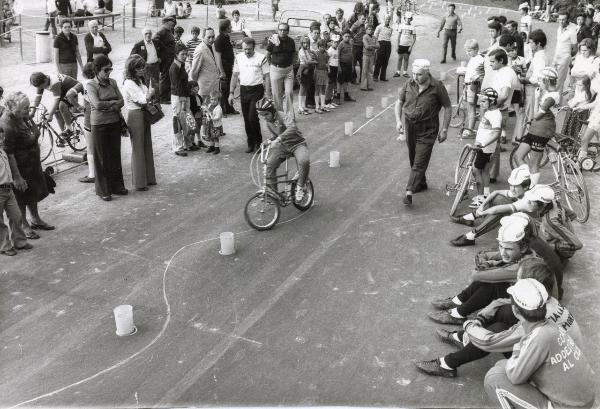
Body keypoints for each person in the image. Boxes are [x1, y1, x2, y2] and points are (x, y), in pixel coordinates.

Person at [415, 259, 577, 378]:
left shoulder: (535, 325)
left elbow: (489, 341)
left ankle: (447, 364)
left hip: (549, 374)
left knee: (498, 330)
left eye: (518, 281)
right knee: (504, 309)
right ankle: (463, 338)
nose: (515, 283)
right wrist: (493, 307)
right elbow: (507, 303)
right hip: (562, 362)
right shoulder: (547, 302)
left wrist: (470, 325)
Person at [483, 279, 596, 409]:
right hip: (585, 398)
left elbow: (515, 377)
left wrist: (516, 351)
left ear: (515, 310)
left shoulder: (539, 336)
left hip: (570, 406)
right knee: (502, 366)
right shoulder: (550, 325)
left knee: (493, 379)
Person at [429, 220, 536, 326]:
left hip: (526, 312)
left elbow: (476, 275)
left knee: (492, 283)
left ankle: (458, 314)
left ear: (523, 247)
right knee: (492, 275)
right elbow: (483, 254)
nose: (503, 252)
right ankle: (458, 301)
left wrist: (487, 265)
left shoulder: (523, 266)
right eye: (501, 246)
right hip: (523, 300)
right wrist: (490, 263)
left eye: (508, 249)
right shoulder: (525, 251)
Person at [395, 59, 451, 206]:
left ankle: (409, 191)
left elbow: (448, 107)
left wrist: (444, 129)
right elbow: (399, 102)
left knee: (419, 161)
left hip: (428, 129)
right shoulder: (408, 83)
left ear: (427, 73)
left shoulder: (437, 87)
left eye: (419, 74)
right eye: (414, 73)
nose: (415, 77)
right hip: (410, 126)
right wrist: (398, 121)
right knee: (413, 157)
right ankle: (421, 183)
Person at [0, 92, 54, 239]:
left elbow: (31, 128)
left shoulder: (22, 115)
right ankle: (24, 225)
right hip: (20, 166)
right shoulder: (7, 125)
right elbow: (9, 153)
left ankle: (35, 219)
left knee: (33, 192)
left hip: (32, 163)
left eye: (28, 107)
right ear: (13, 109)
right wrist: (17, 177)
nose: (28, 111)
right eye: (25, 108)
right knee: (21, 195)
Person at [451, 165, 530, 246]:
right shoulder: (519, 191)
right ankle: (471, 218)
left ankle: (472, 235)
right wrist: (482, 206)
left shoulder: (527, 200)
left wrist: (483, 212)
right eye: (511, 185)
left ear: (526, 187)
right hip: (519, 220)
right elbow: (496, 192)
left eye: (516, 186)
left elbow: (497, 210)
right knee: (498, 198)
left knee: (502, 212)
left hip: (528, 231)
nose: (512, 189)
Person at [85, 55, 126, 201]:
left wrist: (107, 103)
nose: (109, 72)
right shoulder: (90, 85)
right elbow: (96, 105)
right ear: (97, 70)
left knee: (115, 155)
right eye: (106, 70)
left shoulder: (113, 82)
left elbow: (122, 101)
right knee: (101, 158)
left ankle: (117, 186)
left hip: (114, 122)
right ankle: (103, 190)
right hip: (99, 125)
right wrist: (112, 103)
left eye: (110, 69)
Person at [256, 98, 310, 202]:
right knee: (269, 164)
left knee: (304, 161)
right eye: (262, 116)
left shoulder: (282, 115)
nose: (265, 118)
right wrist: (268, 141)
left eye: (266, 114)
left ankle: (300, 186)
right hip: (284, 146)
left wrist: (279, 139)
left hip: (297, 144)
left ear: (272, 111)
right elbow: (275, 135)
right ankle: (273, 193)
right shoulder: (269, 122)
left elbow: (292, 127)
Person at [514, 67, 560, 187]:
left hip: (542, 131)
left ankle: (531, 189)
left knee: (534, 164)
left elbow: (537, 115)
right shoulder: (548, 94)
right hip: (535, 129)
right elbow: (535, 116)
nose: (538, 83)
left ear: (546, 81)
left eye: (540, 80)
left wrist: (536, 98)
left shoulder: (552, 97)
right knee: (518, 156)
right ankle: (528, 179)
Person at [229, 37, 270, 153]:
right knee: (246, 118)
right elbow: (235, 75)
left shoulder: (261, 58)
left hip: (257, 89)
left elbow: (267, 76)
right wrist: (231, 93)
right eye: (245, 49)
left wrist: (268, 93)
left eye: (250, 49)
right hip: (244, 89)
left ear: (254, 47)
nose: (247, 51)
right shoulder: (238, 58)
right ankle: (250, 143)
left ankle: (258, 142)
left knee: (252, 117)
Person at [122, 54, 156, 191]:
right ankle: (140, 182)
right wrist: (151, 93)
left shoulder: (138, 81)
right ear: (132, 69)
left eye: (143, 67)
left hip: (142, 113)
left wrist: (149, 93)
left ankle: (149, 178)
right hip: (135, 115)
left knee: (146, 145)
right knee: (138, 148)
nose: (143, 70)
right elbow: (142, 99)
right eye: (139, 68)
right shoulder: (129, 83)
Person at [0, 121, 32, 256]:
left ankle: (19, 241)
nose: (2, 140)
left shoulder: (2, 150)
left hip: (9, 188)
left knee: (16, 216)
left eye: (2, 137)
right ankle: (5, 246)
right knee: (0, 223)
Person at [470, 88, 501, 209]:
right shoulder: (489, 112)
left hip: (484, 148)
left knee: (476, 170)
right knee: (485, 171)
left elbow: (496, 133)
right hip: (485, 147)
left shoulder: (495, 115)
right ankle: (486, 194)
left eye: (483, 101)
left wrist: (483, 144)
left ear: (492, 102)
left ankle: (480, 197)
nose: (480, 104)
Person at [29, 71, 83, 140]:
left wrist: (50, 114)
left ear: (45, 80)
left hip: (71, 88)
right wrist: (33, 112)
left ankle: (69, 129)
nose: (42, 88)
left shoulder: (54, 82)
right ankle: (65, 133)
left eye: (42, 87)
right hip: (62, 90)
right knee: (56, 112)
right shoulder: (40, 82)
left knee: (61, 106)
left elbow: (56, 100)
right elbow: (38, 97)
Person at [265, 23, 296, 118]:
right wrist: (272, 64)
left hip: (288, 70)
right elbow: (267, 55)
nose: (282, 32)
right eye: (280, 30)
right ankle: (280, 116)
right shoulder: (273, 41)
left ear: (288, 31)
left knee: (289, 92)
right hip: (276, 70)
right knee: (277, 95)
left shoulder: (291, 41)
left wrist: (292, 63)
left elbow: (294, 53)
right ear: (278, 30)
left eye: (284, 30)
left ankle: (290, 116)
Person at [520, 29, 547, 133]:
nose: (529, 44)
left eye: (531, 42)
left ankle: (528, 139)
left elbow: (536, 78)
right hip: (532, 91)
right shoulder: (539, 55)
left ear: (538, 44)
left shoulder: (540, 57)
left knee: (530, 117)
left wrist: (522, 80)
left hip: (534, 91)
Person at [214, 19, 238, 116]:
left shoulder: (226, 36)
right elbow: (218, 57)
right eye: (230, 26)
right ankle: (224, 110)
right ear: (226, 28)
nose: (231, 27)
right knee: (224, 90)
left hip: (229, 66)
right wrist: (222, 71)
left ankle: (229, 108)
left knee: (228, 88)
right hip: (224, 67)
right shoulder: (219, 39)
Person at [170, 44, 191, 157]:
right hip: (178, 97)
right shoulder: (174, 67)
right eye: (182, 54)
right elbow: (177, 85)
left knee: (186, 121)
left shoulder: (181, 66)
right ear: (176, 54)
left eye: (186, 54)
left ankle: (188, 144)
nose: (184, 56)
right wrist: (182, 99)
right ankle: (178, 147)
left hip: (184, 96)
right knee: (177, 121)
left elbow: (184, 83)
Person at [461, 39, 484, 138]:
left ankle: (470, 130)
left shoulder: (479, 59)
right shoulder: (474, 58)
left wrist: (475, 78)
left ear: (476, 49)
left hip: (472, 85)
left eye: (469, 51)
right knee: (470, 108)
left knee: (471, 108)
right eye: (467, 51)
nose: (468, 53)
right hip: (469, 84)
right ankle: (470, 129)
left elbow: (481, 74)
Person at [190, 27, 219, 104]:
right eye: (209, 37)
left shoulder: (212, 47)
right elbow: (194, 71)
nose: (211, 39)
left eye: (213, 37)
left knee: (213, 111)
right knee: (204, 111)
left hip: (213, 86)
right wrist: (197, 84)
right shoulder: (200, 50)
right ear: (203, 37)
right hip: (204, 88)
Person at [130, 27, 161, 98]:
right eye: (146, 33)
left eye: (150, 33)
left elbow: (162, 50)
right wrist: (139, 63)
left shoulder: (156, 42)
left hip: (155, 66)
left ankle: (156, 102)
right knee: (144, 84)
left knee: (156, 84)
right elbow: (132, 56)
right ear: (143, 35)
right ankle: (145, 101)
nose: (148, 35)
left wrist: (160, 57)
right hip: (144, 67)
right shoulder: (139, 45)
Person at [553, 13, 578, 99]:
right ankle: (553, 98)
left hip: (565, 58)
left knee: (560, 80)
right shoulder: (559, 28)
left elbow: (575, 48)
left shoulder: (572, 31)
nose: (561, 21)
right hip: (556, 57)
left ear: (567, 20)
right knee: (553, 77)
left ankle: (557, 102)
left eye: (563, 19)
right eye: (560, 19)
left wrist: (568, 57)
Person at [79, 62, 96, 184]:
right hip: (101, 118)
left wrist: (78, 107)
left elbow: (70, 94)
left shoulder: (85, 84)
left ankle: (92, 174)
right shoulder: (100, 82)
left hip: (89, 117)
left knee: (90, 147)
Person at [154, 16, 177, 104]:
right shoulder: (162, 31)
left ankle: (167, 97)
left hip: (170, 58)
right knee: (165, 77)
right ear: (166, 22)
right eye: (172, 21)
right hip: (165, 59)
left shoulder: (168, 30)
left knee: (168, 77)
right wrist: (158, 56)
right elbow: (154, 42)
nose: (173, 23)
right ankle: (163, 98)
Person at [296, 36, 316, 115]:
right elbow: (307, 61)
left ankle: (303, 106)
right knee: (302, 88)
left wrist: (312, 57)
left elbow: (312, 58)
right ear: (301, 43)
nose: (306, 44)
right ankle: (300, 107)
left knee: (305, 88)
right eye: (304, 43)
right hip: (303, 69)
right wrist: (314, 62)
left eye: (307, 43)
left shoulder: (308, 51)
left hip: (308, 70)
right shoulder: (301, 51)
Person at [393, 12, 416, 79]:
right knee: (400, 58)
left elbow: (414, 38)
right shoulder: (401, 26)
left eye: (409, 18)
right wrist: (397, 45)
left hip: (408, 45)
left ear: (411, 19)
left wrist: (411, 47)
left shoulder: (412, 27)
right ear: (404, 18)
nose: (407, 20)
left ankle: (405, 72)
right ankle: (398, 72)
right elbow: (398, 36)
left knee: (406, 58)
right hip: (401, 44)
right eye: (406, 18)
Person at [337, 30, 355, 104]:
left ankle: (346, 96)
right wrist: (339, 66)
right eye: (345, 36)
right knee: (340, 81)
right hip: (342, 64)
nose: (347, 38)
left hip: (349, 64)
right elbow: (338, 56)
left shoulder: (350, 44)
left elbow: (352, 55)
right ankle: (338, 97)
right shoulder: (341, 44)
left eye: (348, 36)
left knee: (346, 81)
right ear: (342, 36)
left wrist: (353, 65)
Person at [188, 80, 206, 150]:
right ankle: (192, 142)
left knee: (198, 129)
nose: (196, 90)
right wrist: (200, 108)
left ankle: (199, 141)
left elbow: (201, 103)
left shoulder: (198, 96)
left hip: (199, 116)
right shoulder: (190, 97)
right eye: (194, 89)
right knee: (193, 130)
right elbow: (191, 107)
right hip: (193, 116)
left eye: (197, 88)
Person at [314, 39, 330, 114]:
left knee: (323, 89)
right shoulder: (316, 54)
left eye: (323, 46)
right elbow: (314, 63)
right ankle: (317, 106)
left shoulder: (326, 54)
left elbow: (327, 62)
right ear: (318, 47)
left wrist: (328, 68)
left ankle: (323, 106)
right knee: (317, 89)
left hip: (324, 72)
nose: (322, 48)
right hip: (318, 72)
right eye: (320, 46)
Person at [360, 25, 378, 91]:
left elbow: (378, 45)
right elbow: (366, 46)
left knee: (370, 70)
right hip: (366, 55)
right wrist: (374, 46)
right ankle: (363, 86)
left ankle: (370, 85)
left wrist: (371, 46)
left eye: (371, 29)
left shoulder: (374, 37)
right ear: (366, 30)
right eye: (368, 29)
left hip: (372, 55)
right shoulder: (365, 37)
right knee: (365, 70)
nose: (370, 30)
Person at [350, 14, 366, 84]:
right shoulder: (356, 25)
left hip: (361, 46)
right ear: (359, 19)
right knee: (353, 64)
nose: (364, 20)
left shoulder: (363, 25)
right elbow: (350, 32)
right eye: (362, 19)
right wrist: (353, 39)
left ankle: (361, 79)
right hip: (355, 46)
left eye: (364, 19)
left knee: (362, 64)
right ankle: (353, 79)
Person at [325, 37, 340, 108]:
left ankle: (331, 100)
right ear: (331, 42)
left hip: (335, 68)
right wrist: (328, 69)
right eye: (334, 42)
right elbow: (327, 61)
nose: (336, 44)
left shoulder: (337, 50)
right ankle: (326, 101)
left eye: (337, 42)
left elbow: (337, 59)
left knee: (333, 84)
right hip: (331, 68)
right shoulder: (329, 51)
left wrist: (339, 67)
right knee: (329, 85)